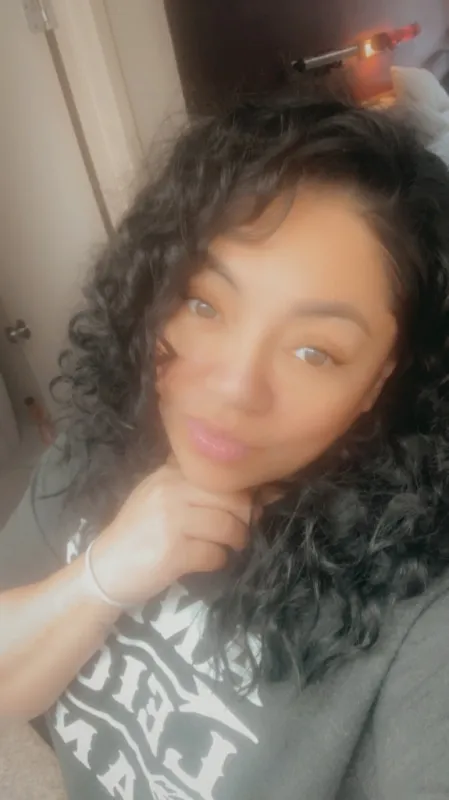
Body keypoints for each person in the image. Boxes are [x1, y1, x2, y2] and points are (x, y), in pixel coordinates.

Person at [1, 84, 449, 800]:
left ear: (377, 381)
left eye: (314, 351)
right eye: (204, 303)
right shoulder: (108, 436)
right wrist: (101, 576)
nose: (234, 388)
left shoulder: (416, 617)